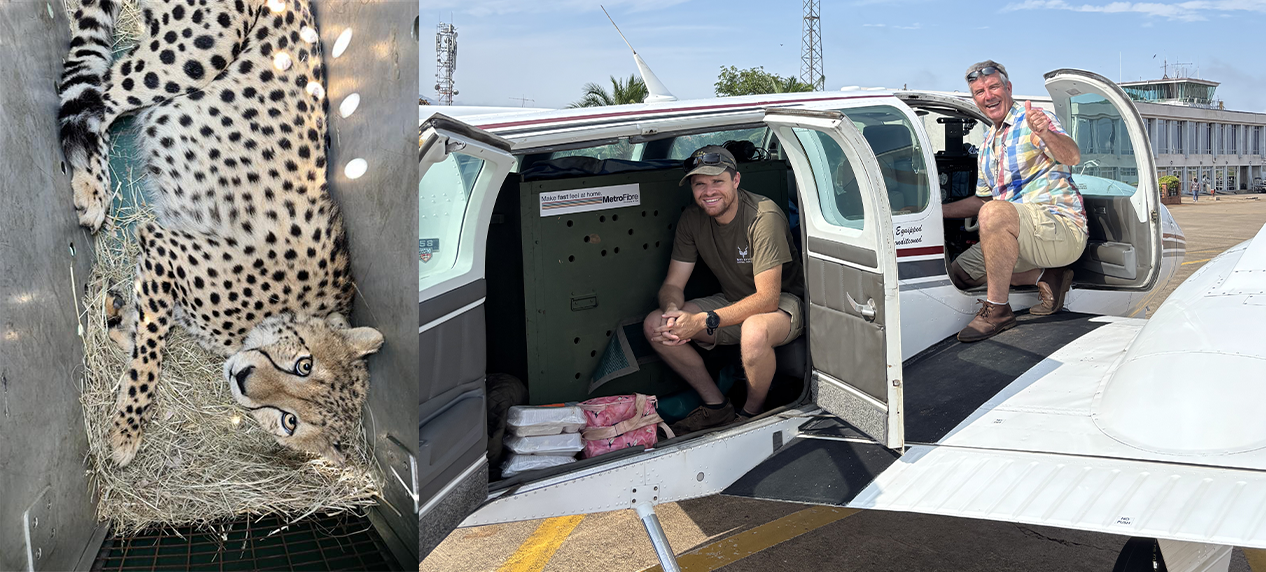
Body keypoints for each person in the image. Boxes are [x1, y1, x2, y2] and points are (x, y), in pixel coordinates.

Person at [643, 145, 805, 433]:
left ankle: (751, 415)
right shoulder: (693, 219)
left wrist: (702, 321)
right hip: (731, 298)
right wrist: (673, 311)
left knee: (754, 330)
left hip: (784, 304)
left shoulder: (763, 216)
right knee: (657, 324)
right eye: (699, 184)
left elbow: (767, 299)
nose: (709, 191)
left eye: (717, 181)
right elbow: (673, 284)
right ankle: (717, 407)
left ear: (736, 180)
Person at [943, 60, 1088, 342]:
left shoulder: (1033, 121)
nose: (988, 96)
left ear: (1008, 88)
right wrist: (936, 212)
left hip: (1059, 229)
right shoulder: (987, 144)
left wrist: (1045, 133)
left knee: (994, 213)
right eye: (980, 92)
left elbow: (1072, 157)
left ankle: (998, 310)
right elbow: (982, 201)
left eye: (994, 87)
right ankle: (1044, 277)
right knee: (958, 274)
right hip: (1018, 233)